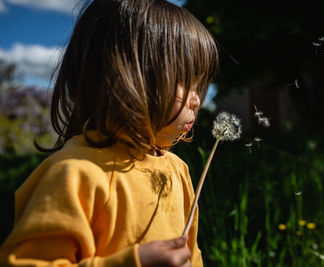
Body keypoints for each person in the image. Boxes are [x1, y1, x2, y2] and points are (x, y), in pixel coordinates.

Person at [0, 0, 218, 266]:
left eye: (201, 84)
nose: (198, 100)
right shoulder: (74, 174)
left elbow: (191, 254)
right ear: (127, 77)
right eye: (186, 81)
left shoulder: (179, 170)